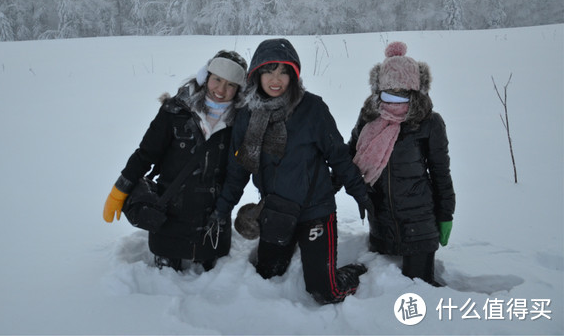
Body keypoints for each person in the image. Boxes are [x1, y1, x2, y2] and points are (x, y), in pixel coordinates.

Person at [208, 38, 373, 304]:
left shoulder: (312, 109)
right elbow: (238, 169)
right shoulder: (247, 115)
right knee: (267, 274)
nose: (276, 79)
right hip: (277, 211)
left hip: (315, 211)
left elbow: (338, 156)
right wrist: (223, 209)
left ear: (294, 75)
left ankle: (358, 271)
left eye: (284, 71)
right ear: (256, 75)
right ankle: (292, 244)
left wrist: (360, 193)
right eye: (268, 71)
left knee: (325, 292)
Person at [102, 50, 248, 272]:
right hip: (170, 213)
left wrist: (223, 207)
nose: (221, 90)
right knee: (165, 272)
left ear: (238, 90)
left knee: (212, 273)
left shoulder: (241, 122)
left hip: (212, 219)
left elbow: (238, 173)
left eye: (230, 85)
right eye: (217, 79)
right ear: (206, 77)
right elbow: (146, 153)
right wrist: (120, 188)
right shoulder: (175, 110)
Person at [348, 41, 455, 286]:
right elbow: (349, 159)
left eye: (403, 94)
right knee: (377, 287)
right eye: (388, 94)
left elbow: (441, 173)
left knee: (419, 287)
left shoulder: (429, 123)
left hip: (420, 224)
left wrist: (445, 214)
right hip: (381, 222)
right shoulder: (369, 118)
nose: (394, 102)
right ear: (378, 91)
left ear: (415, 92)